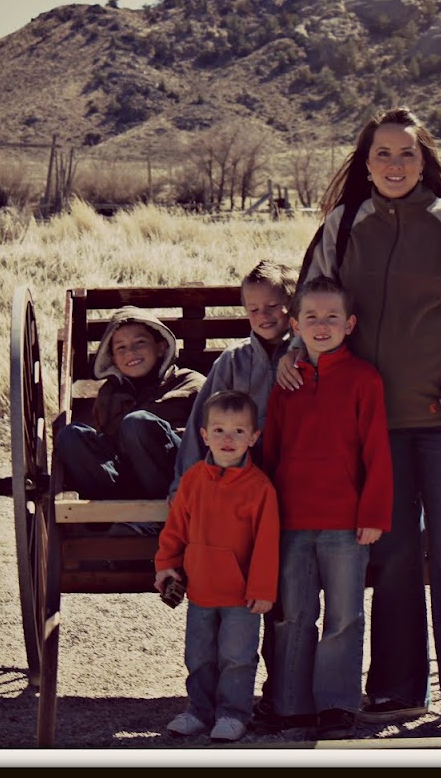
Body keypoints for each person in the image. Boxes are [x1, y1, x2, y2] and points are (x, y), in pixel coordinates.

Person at [278, 107, 441, 736]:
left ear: (423, 160)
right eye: (382, 153)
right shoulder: (342, 226)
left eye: (406, 153)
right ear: (365, 163)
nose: (394, 164)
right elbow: (313, 306)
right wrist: (295, 354)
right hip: (370, 426)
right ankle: (395, 688)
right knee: (391, 555)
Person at [166, 259, 297, 730]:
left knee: (285, 602)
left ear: (291, 305)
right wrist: (185, 488)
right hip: (233, 499)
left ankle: (278, 697)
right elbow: (200, 427)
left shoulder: (308, 352)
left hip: (289, 493)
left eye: (273, 306)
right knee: (208, 634)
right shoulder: (233, 362)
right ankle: (204, 707)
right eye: (253, 308)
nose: (264, 316)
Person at [262, 275, 393, 741]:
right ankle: (291, 705)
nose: (322, 326)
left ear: (349, 324)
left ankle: (336, 704)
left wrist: (373, 515)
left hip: (345, 523)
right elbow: (271, 451)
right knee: (293, 615)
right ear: (295, 325)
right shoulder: (287, 383)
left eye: (332, 317)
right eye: (312, 318)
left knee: (344, 615)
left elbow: (377, 451)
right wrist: (268, 516)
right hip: (292, 521)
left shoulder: (363, 379)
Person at [154, 390, 280, 743]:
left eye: (239, 431)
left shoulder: (260, 488)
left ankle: (233, 714)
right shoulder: (193, 480)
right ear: (204, 435)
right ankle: (199, 711)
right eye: (219, 430)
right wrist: (166, 565)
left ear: (253, 437)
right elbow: (175, 528)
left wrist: (262, 589)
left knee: (237, 657)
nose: (228, 439)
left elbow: (267, 543)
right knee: (199, 655)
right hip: (200, 589)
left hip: (241, 596)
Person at [54, 307, 205, 511]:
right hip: (126, 482)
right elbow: (106, 442)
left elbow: (209, 437)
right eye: (121, 348)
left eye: (140, 342)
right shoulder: (109, 394)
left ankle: (159, 511)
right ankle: (119, 512)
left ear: (161, 347)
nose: (130, 352)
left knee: (136, 423)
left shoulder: (191, 383)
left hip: (175, 478)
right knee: (70, 436)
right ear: (114, 360)